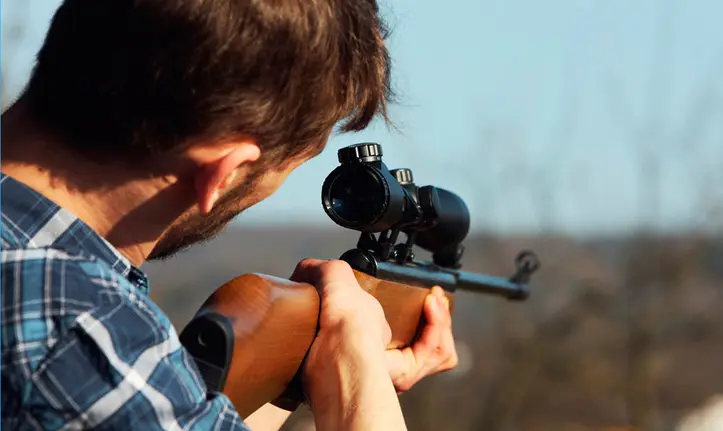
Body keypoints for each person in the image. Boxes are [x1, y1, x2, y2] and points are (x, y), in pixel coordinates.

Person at [0, 0, 459, 430]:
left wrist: (302, 368)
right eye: (289, 168)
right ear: (226, 171)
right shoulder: (75, 334)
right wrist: (357, 381)